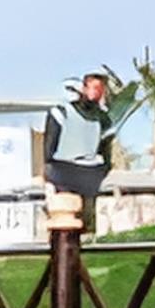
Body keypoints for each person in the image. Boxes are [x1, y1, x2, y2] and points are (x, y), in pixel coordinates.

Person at [43, 68, 114, 223]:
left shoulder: (104, 120)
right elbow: (48, 150)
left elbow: (106, 152)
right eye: (93, 87)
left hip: (91, 172)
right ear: (84, 88)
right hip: (63, 170)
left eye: (100, 89)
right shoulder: (61, 113)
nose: (96, 92)